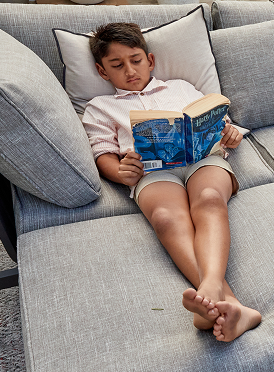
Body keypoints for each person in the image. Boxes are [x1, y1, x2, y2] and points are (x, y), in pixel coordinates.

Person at [81, 22, 261, 342]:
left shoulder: (180, 87)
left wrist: (229, 133)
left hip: (203, 159)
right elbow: (102, 154)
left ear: (150, 60)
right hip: (152, 173)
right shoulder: (100, 107)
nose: (130, 70)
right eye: (117, 65)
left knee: (208, 199)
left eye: (136, 60)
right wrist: (118, 171)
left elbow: (215, 123)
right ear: (102, 70)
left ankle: (210, 290)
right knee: (165, 218)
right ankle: (232, 305)